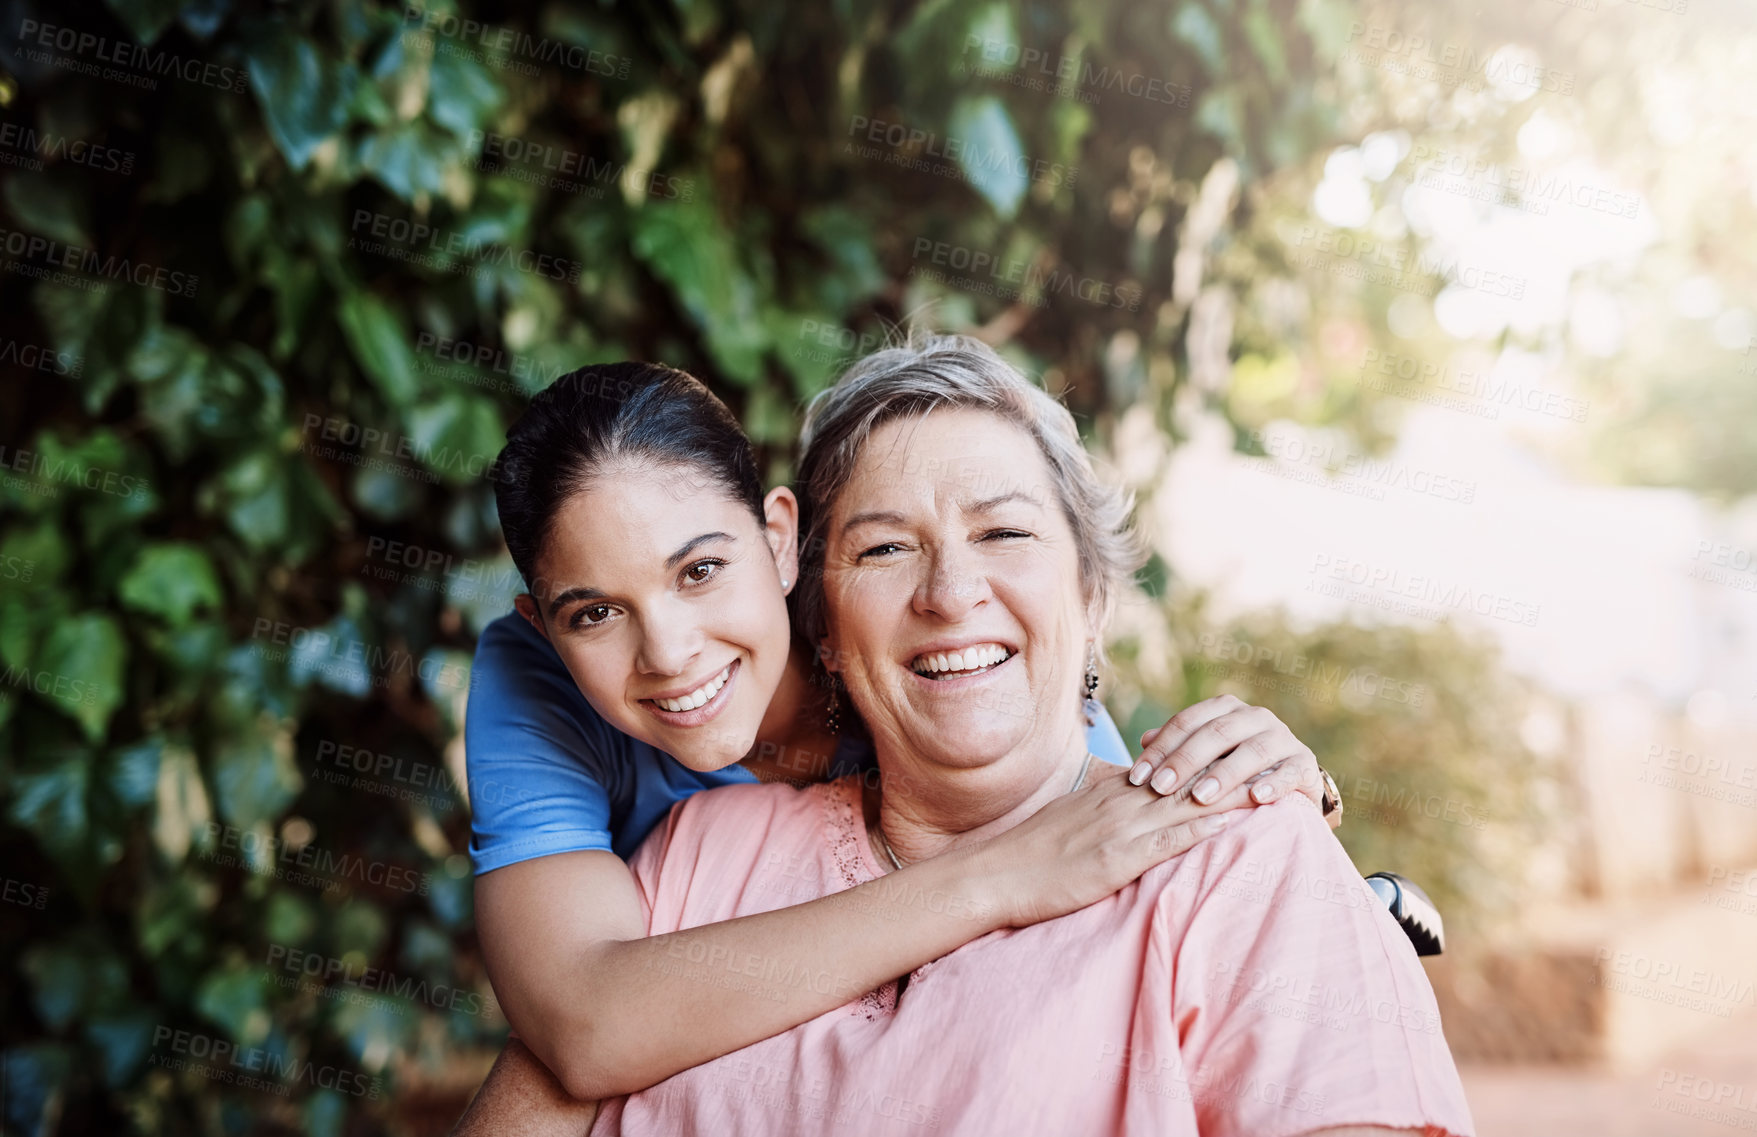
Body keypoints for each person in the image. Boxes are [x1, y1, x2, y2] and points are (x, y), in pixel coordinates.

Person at [457, 356, 1340, 1128]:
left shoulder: (933, 668)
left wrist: (1269, 801)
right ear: (544, 624)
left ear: (777, 540)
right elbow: (582, 1022)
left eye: (700, 570)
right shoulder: (550, 699)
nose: (671, 650)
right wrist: (999, 873)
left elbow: (1091, 805)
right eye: (596, 613)